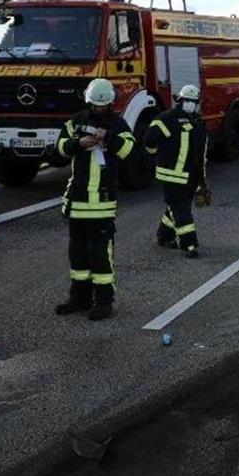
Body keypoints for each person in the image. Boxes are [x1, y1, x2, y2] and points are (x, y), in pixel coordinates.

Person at [52, 78, 136, 321]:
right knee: (77, 254)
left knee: (100, 254)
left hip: (102, 201)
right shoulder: (76, 121)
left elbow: (130, 151)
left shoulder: (118, 124)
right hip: (78, 200)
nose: (98, 110)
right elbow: (58, 149)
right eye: (95, 106)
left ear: (110, 103)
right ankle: (79, 298)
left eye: (103, 106)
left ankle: (104, 301)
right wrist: (78, 143)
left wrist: (108, 137)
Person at [145, 84, 209, 259]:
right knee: (181, 209)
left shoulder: (198, 123)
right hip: (170, 176)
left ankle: (164, 236)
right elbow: (149, 141)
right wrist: (159, 156)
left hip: (190, 177)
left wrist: (202, 181)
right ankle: (189, 243)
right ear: (180, 101)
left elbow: (201, 154)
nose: (190, 104)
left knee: (176, 206)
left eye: (193, 101)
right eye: (187, 101)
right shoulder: (167, 118)